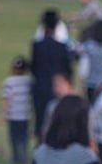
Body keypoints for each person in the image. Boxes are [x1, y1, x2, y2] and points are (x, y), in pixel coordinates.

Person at [30, 9, 74, 141]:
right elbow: (68, 69)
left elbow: (34, 67)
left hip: (40, 86)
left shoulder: (37, 46)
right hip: (57, 87)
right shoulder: (61, 47)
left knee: (40, 118)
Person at [1, 56, 33, 164]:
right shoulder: (29, 81)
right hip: (25, 115)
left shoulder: (9, 82)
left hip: (14, 115)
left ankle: (15, 158)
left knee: (14, 138)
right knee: (24, 137)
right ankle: (24, 156)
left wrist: (4, 113)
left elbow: (6, 98)